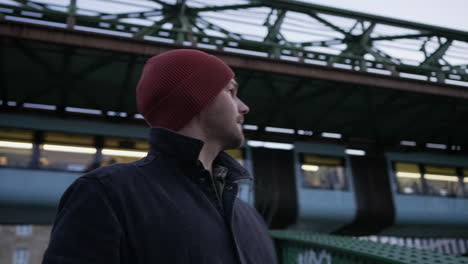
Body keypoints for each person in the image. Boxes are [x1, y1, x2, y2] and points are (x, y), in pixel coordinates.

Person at [42, 49, 277, 263]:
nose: (244, 107)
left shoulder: (248, 215)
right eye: (231, 91)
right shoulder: (107, 193)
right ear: (196, 98)